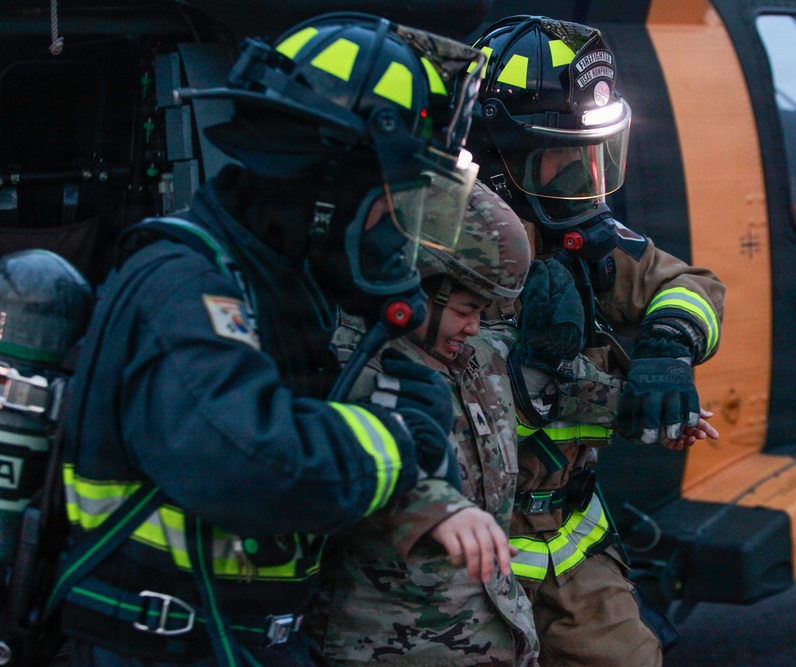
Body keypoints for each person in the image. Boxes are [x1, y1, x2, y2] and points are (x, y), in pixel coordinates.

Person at [52, 13, 485, 666]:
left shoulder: (285, 288)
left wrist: (413, 422)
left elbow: (411, 465)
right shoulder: (183, 284)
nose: (396, 230)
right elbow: (249, 462)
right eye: (392, 201)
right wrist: (395, 437)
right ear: (328, 187)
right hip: (156, 646)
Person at [467, 16, 726, 666]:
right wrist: (615, 402)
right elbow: (487, 403)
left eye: (597, 153)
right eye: (564, 156)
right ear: (501, 157)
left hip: (572, 550)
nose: (586, 174)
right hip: (467, 558)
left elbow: (689, 284)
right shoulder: (434, 254)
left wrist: (667, 349)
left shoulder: (584, 243)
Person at [311, 180, 627, 666]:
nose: (476, 326)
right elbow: (354, 470)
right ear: (412, 284)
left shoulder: (473, 356)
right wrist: (434, 507)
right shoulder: (350, 374)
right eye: (465, 310)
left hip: (494, 639)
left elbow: (555, 384)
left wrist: (653, 404)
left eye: (483, 312)